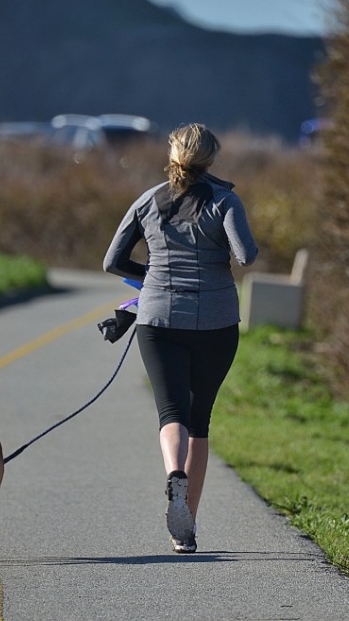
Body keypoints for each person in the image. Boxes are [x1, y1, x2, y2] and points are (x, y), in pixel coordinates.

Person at [103, 123, 259, 553]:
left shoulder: (147, 201)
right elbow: (245, 255)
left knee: (172, 412)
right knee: (200, 419)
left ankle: (174, 471)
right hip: (216, 323)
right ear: (211, 158)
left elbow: (112, 262)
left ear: (172, 155)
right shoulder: (226, 200)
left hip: (158, 321)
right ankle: (184, 530)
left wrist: (152, 278)